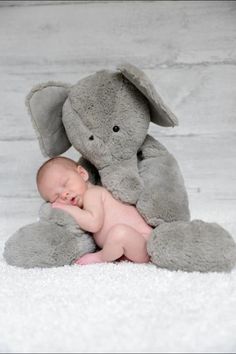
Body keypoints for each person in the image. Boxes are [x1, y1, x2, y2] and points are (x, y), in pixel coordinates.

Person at [36, 156, 153, 265]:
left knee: (119, 233)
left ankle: (101, 257)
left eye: (65, 183)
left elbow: (93, 224)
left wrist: (66, 207)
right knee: (118, 234)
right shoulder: (85, 202)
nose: (64, 194)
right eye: (56, 197)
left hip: (143, 243)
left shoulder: (92, 194)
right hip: (130, 247)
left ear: (82, 174)